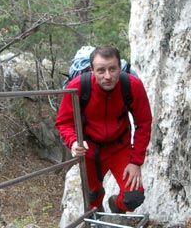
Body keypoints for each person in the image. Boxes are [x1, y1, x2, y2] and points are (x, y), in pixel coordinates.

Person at [56, 46, 152, 213]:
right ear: (92, 70)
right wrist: (73, 142)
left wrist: (136, 161)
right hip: (89, 151)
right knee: (92, 196)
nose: (108, 76)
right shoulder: (78, 86)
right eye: (101, 70)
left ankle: (116, 206)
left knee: (133, 197)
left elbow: (143, 122)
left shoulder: (132, 85)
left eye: (112, 69)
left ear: (119, 68)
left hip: (119, 149)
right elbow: (64, 122)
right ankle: (97, 218)